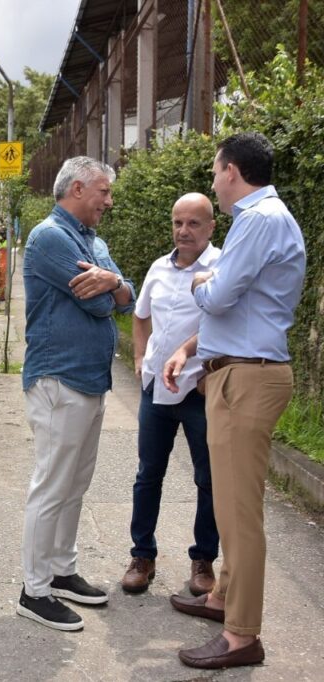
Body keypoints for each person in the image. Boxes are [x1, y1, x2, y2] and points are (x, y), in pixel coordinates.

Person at [163, 132, 305, 670]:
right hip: (238, 374)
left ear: (230, 170)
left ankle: (242, 635)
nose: (214, 180)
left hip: (248, 379)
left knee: (240, 514)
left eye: (215, 170)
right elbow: (240, 304)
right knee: (228, 504)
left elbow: (220, 296)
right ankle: (223, 597)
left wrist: (202, 279)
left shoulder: (258, 219)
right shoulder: (263, 219)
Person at [18, 156, 135, 632]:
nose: (109, 201)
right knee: (52, 485)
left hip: (89, 380)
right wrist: (112, 288)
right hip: (59, 379)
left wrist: (115, 283)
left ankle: (62, 571)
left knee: (75, 483)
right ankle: (34, 590)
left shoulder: (94, 241)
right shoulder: (50, 237)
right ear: (79, 188)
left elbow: (126, 296)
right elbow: (99, 304)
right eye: (104, 192)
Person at [122, 193, 220, 597]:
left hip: (199, 390)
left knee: (208, 478)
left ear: (211, 227)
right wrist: (141, 358)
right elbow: (140, 315)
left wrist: (195, 359)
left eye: (193, 223)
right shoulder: (159, 267)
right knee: (148, 475)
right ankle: (142, 556)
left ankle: (203, 561)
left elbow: (226, 322)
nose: (183, 231)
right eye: (178, 223)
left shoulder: (222, 267)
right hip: (155, 392)